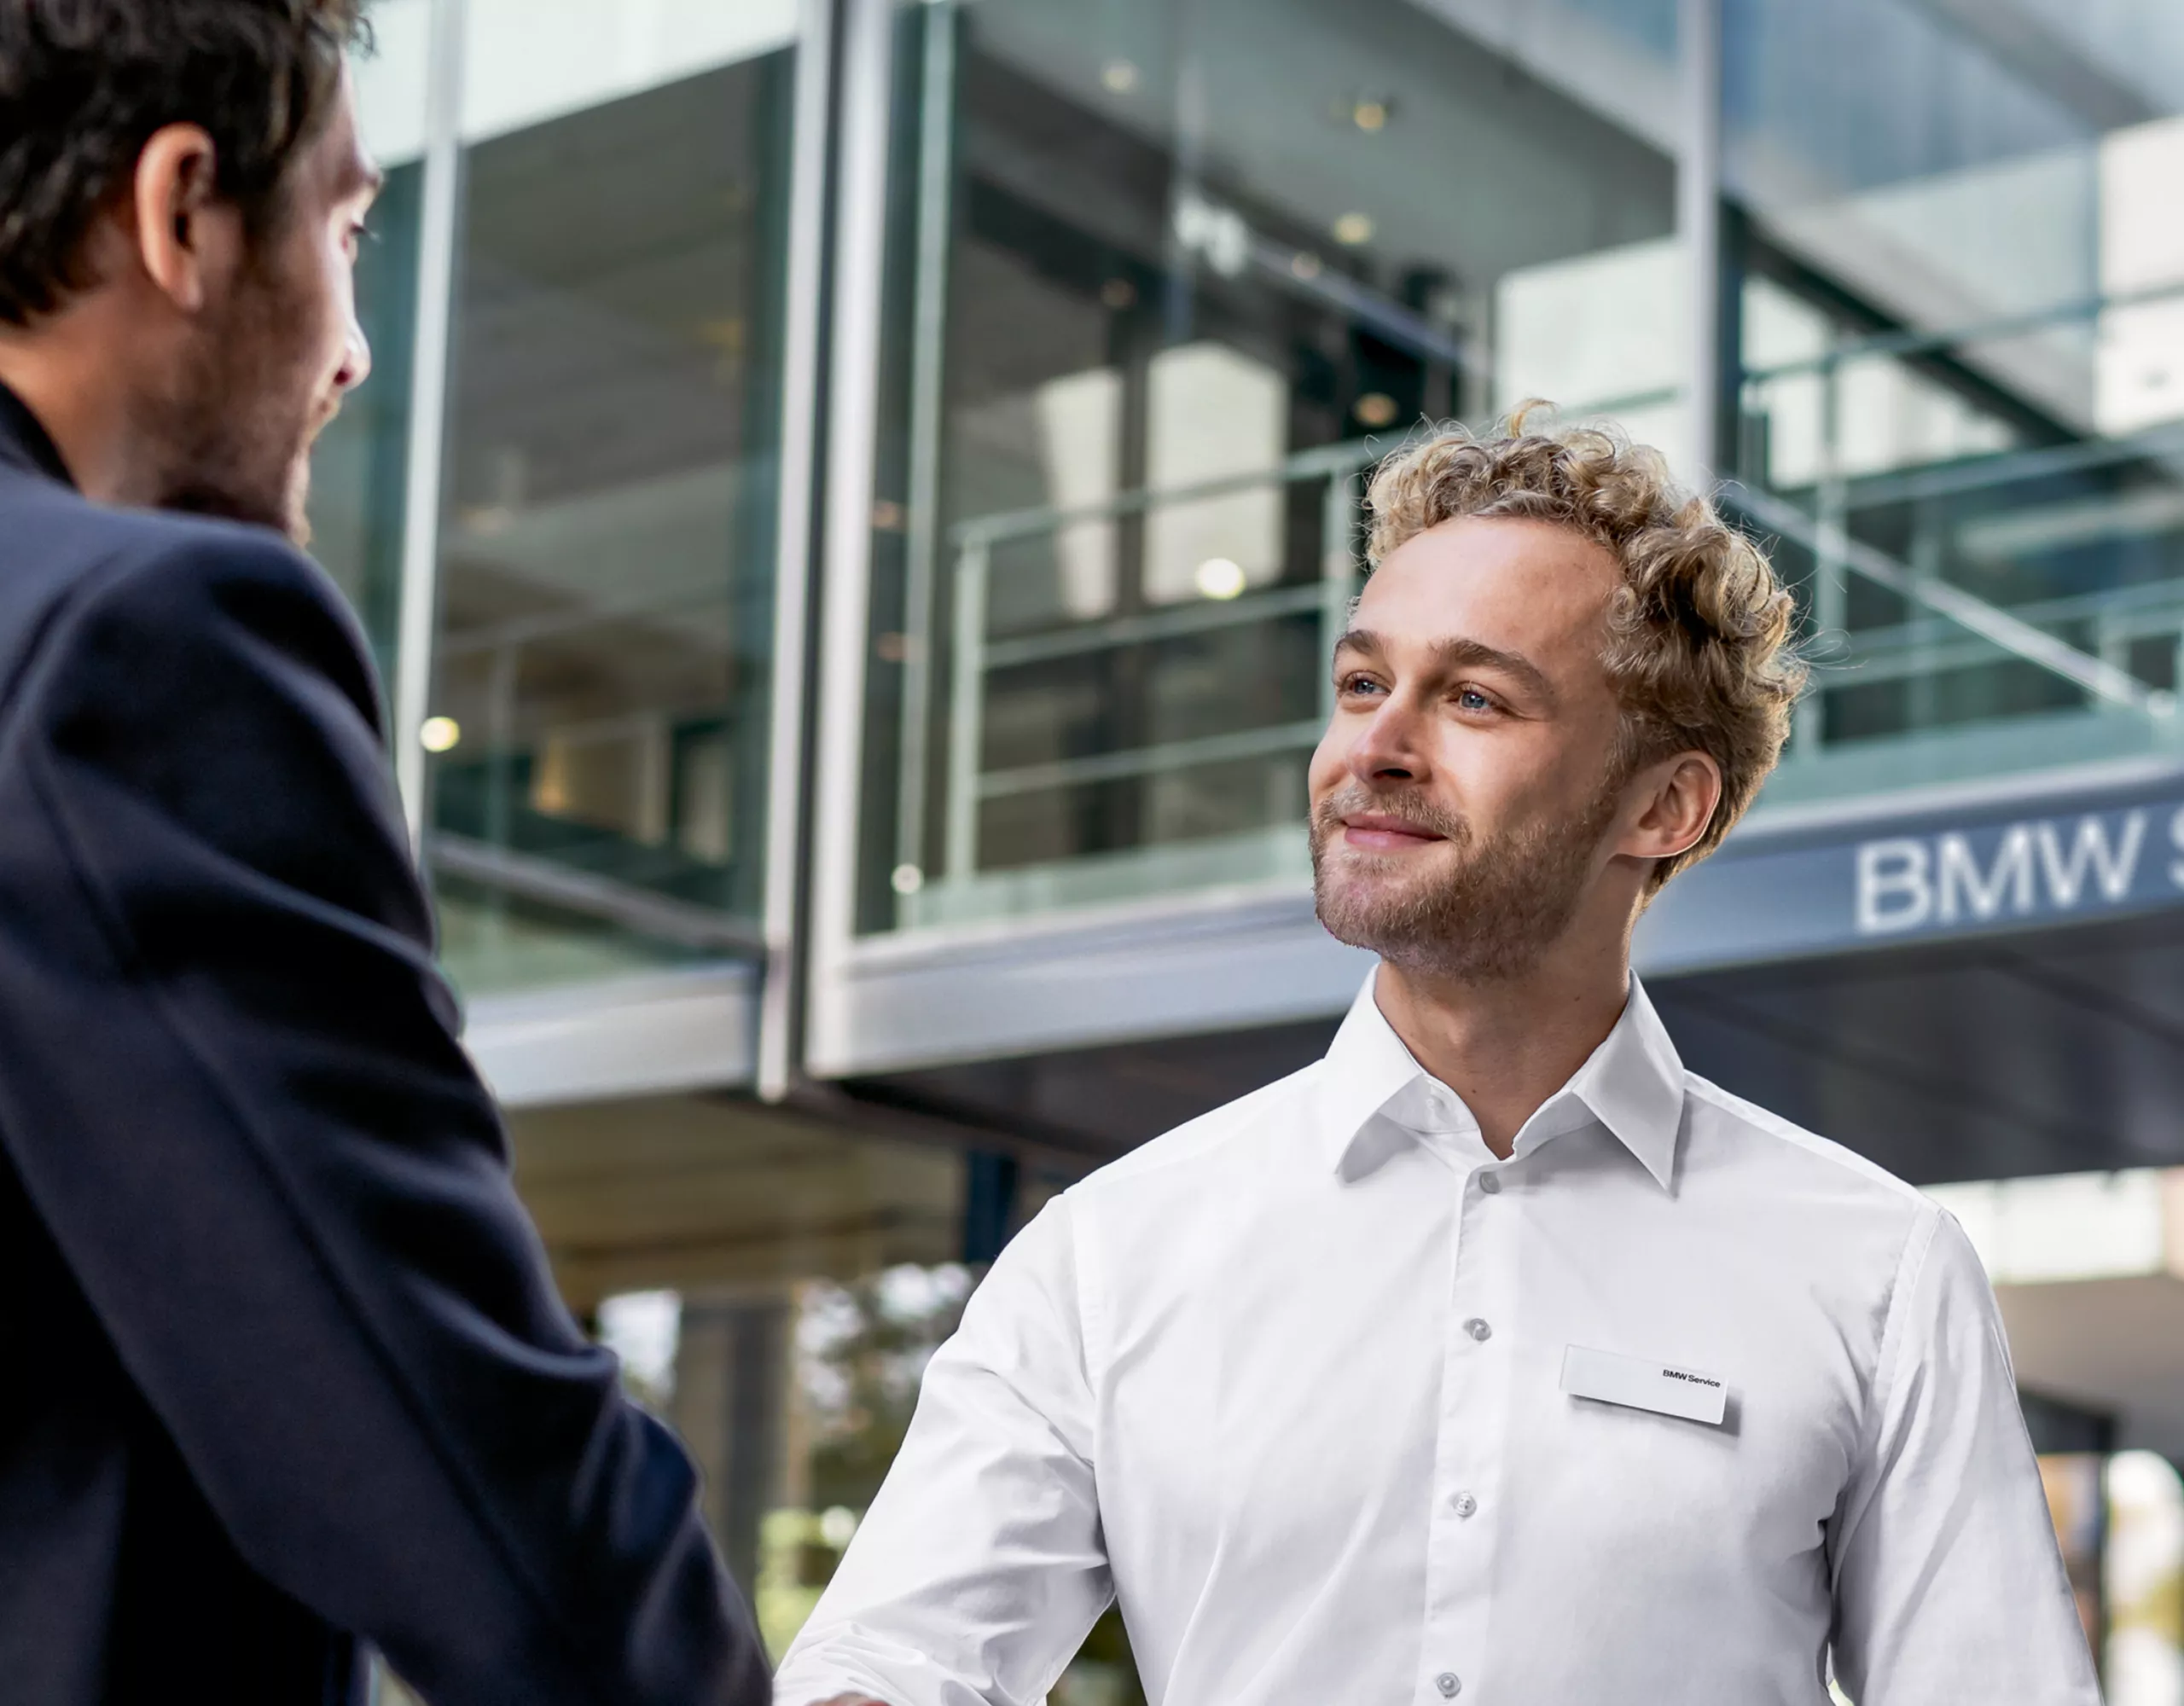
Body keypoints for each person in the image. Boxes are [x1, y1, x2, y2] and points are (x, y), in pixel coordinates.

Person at [775, 414, 2100, 1705]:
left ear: (1664, 805)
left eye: (1473, 696)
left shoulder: (1874, 1273)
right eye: (1362, 684)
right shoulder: (1112, 1255)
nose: (1376, 750)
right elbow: (892, 1662)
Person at [0, 5, 770, 1703]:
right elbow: (481, 1496)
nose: (350, 349)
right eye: (344, 232)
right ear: (180, 210)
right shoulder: (127, 649)